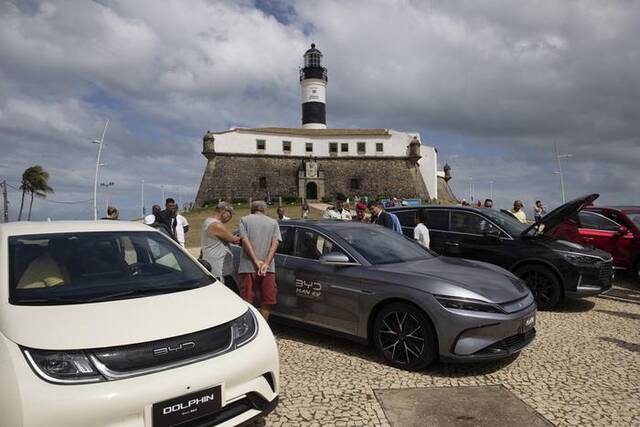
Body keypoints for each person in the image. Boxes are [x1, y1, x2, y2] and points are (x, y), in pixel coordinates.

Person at [238, 201, 282, 320]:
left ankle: (248, 326)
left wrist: (256, 260)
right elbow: (275, 243)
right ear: (265, 209)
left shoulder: (244, 220)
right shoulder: (273, 222)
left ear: (252, 209)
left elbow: (245, 241)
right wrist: (266, 263)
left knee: (247, 300)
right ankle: (264, 325)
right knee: (267, 300)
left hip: (248, 265)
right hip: (268, 268)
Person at [201, 202, 240, 283]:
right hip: (217, 267)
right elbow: (235, 240)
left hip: (214, 262)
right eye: (230, 214)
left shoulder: (208, 221)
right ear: (224, 212)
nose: (230, 217)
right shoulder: (215, 225)